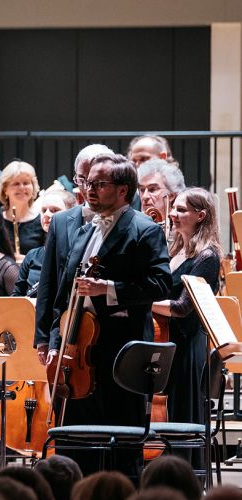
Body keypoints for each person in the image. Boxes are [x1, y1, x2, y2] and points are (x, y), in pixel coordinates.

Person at [43, 153, 170, 476]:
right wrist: (57, 341)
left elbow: (160, 284)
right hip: (78, 355)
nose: (90, 190)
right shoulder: (86, 231)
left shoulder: (144, 230)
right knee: (74, 441)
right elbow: (64, 295)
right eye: (88, 183)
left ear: (124, 190)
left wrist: (109, 289)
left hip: (120, 355)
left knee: (119, 444)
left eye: (100, 184)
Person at [152, 188, 223, 428]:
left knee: (182, 410)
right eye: (173, 208)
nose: (172, 214)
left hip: (188, 345)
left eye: (181, 210)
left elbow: (183, 308)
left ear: (201, 216)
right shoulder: (174, 250)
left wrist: (141, 302)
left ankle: (185, 465)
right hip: (168, 341)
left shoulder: (207, 257)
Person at [34, 144, 113, 356]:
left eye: (96, 181)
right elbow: (48, 281)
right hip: (65, 330)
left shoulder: (125, 222)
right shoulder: (60, 221)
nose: (88, 187)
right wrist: (43, 338)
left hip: (108, 331)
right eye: (81, 179)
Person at [14, 188, 76, 298]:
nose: (47, 214)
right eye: (44, 210)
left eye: (55, 210)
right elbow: (17, 297)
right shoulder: (32, 256)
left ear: (72, 214)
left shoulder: (76, 255)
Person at [0, 160, 44, 258]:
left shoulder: (42, 219)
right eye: (16, 184)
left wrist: (27, 262)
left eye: (26, 183)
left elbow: (47, 258)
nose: (22, 188)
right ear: (5, 189)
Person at [137, 158, 185, 223]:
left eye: (152, 189)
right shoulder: (133, 226)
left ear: (171, 195)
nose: (145, 196)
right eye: (142, 190)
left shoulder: (183, 230)